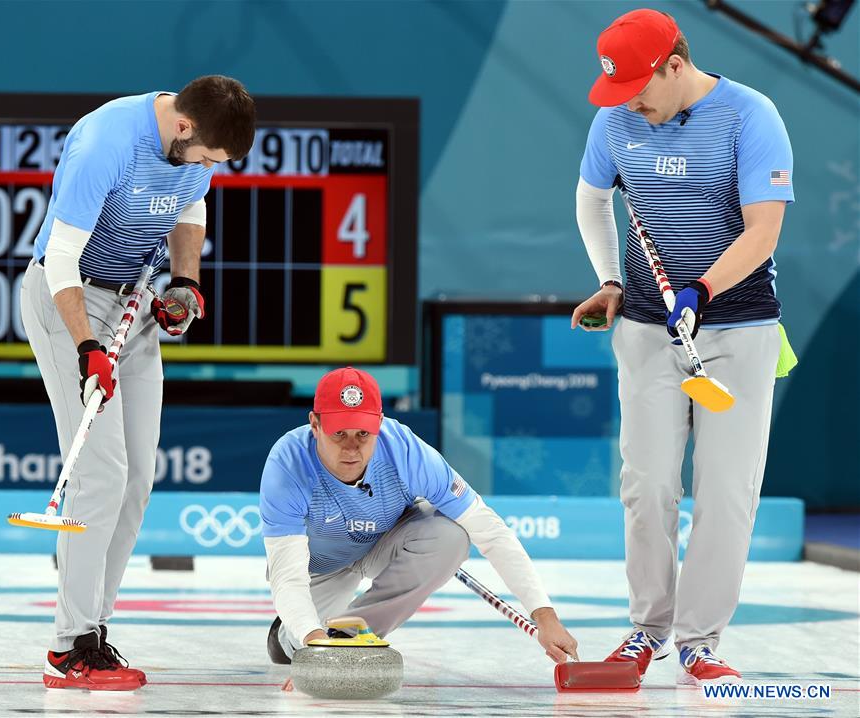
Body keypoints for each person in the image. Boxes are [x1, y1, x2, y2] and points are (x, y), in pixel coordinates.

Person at [571, 8, 793, 686]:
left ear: (674, 63)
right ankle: (646, 632)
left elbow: (761, 234)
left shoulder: (751, 116)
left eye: (639, 87)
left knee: (726, 493)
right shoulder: (614, 119)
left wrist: (700, 290)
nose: (630, 104)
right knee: (646, 486)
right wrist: (610, 279)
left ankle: (699, 641)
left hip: (741, 329)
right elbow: (589, 200)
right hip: (645, 328)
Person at [20, 75, 256, 690]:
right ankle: (65, 649)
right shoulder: (106, 141)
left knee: (137, 478)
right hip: (66, 302)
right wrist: (87, 347)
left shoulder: (195, 148)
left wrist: (184, 283)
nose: (206, 167)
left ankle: (93, 630)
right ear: (183, 127)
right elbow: (63, 260)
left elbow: (191, 207)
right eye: (204, 155)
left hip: (135, 306)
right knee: (100, 472)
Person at [260, 366, 578, 669]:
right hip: (322, 566)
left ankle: (350, 637)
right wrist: (312, 638)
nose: (351, 449)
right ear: (315, 425)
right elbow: (288, 575)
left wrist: (545, 617)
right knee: (293, 644)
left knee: (451, 536)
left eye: (363, 434)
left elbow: (490, 531)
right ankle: (289, 637)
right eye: (339, 434)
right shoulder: (287, 465)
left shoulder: (406, 452)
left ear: (380, 424)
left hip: (383, 542)